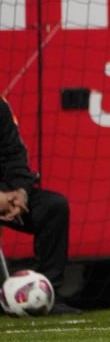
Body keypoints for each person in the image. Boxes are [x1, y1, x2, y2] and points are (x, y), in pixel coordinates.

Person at [0, 95, 79, 314]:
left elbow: (15, 156)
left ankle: (47, 293)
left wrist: (20, 193)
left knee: (53, 206)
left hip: (5, 194)